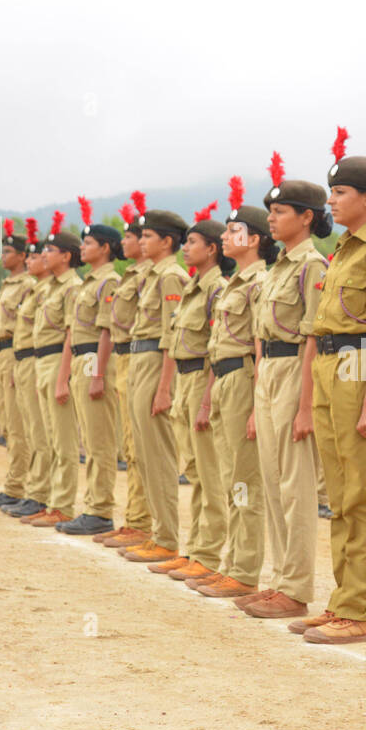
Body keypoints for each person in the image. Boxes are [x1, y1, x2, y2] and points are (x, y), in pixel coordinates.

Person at [290, 134, 366, 646]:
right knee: (337, 496)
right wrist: (309, 399)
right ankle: (341, 601)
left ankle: (361, 610)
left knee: (363, 495)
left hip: (359, 371)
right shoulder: (341, 253)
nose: (331, 200)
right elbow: (319, 329)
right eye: (331, 192)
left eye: (340, 192)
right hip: (332, 368)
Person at [242, 169, 331, 619]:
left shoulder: (312, 265)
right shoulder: (278, 266)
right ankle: (278, 580)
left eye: (280, 212)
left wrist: (306, 405)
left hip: (297, 367)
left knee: (296, 485)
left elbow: (315, 336)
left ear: (307, 217)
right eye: (271, 211)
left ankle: (296, 587)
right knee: (274, 481)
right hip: (270, 371)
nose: (271, 219)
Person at [197, 192, 269, 598]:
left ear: (255, 238)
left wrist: (258, 405)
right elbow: (214, 344)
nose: (225, 236)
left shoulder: (259, 282)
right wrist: (208, 397)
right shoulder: (232, 285)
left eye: (233, 230)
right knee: (229, 477)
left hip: (244, 379)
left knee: (245, 479)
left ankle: (244, 570)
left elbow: (259, 345)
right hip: (223, 379)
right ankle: (231, 561)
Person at [162, 206, 230, 585]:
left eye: (192, 242)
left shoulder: (216, 290)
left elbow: (213, 350)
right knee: (193, 469)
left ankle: (208, 554)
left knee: (209, 473)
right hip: (185, 382)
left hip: (203, 381)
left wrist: (206, 399)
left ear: (213, 249)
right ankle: (196, 548)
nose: (185, 248)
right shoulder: (192, 287)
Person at [119, 208, 191, 566]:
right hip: (139, 359)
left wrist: (164, 388)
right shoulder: (151, 276)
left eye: (148, 236)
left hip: (155, 363)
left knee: (159, 455)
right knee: (143, 452)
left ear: (166, 241)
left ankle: (167, 538)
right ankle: (156, 532)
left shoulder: (171, 277)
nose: (141, 240)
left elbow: (170, 336)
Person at [56, 203, 121, 537]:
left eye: (89, 244)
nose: (82, 248)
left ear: (105, 248)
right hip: (82, 360)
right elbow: (72, 332)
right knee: (88, 439)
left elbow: (107, 331)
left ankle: (100, 510)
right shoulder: (87, 283)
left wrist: (98, 374)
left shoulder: (109, 282)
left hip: (96, 361)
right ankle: (93, 505)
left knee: (99, 442)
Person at [96, 197, 154, 549]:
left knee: (142, 446)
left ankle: (143, 523)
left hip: (141, 359)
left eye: (138, 236)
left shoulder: (156, 276)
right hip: (126, 359)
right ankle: (135, 519)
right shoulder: (134, 275)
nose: (129, 243)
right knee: (131, 445)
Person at [27, 214, 83, 525]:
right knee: (48, 436)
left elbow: (70, 333)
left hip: (59, 362)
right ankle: (49, 499)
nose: (44, 255)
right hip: (42, 362)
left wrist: (63, 378)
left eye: (51, 250)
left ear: (66, 255)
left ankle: (62, 504)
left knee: (63, 440)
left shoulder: (72, 287)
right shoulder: (50, 288)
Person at [0, 222, 36, 507]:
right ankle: (13, 484)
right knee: (8, 423)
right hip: (0, 354)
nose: (3, 255)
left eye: (9, 251)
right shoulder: (6, 286)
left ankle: (19, 486)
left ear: (24, 256)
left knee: (18, 424)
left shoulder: (28, 285)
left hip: (16, 354)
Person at [4, 229, 56, 518]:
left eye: (41, 255)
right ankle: (30, 490)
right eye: (36, 255)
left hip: (41, 360)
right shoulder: (37, 290)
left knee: (40, 431)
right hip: (23, 359)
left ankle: (40, 493)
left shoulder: (50, 289)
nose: (38, 260)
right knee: (24, 428)